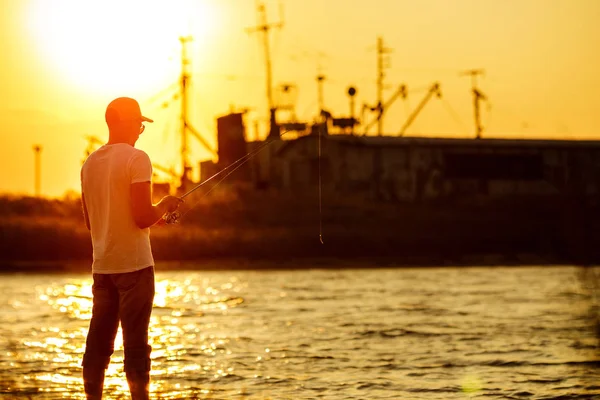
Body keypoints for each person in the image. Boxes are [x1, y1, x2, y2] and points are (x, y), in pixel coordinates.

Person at [80, 97, 182, 399]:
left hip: (102, 270)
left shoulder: (90, 163)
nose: (140, 129)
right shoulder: (137, 159)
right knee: (136, 347)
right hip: (135, 270)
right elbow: (140, 217)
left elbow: (92, 222)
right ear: (126, 123)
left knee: (98, 347)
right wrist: (164, 205)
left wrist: (155, 217)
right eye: (139, 123)